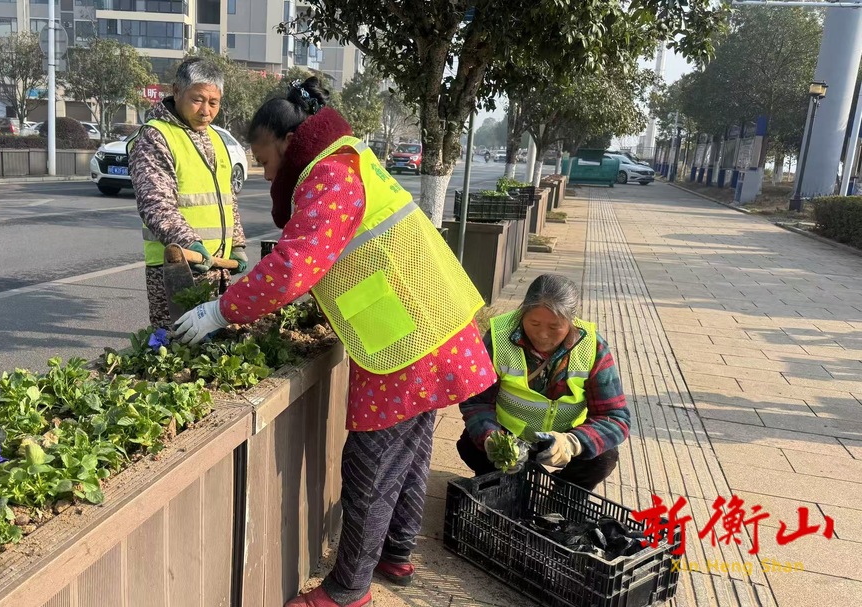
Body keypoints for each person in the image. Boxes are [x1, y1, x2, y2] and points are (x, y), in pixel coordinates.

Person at [173, 78, 496, 607]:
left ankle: (348, 590)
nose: (266, 172)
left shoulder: (330, 173)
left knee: (370, 465)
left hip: (405, 338)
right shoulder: (346, 159)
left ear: (284, 141)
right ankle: (395, 551)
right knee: (410, 450)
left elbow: (296, 263)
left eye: (264, 158)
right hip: (429, 321)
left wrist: (221, 310)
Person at [457, 273, 630, 491]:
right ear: (522, 314)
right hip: (511, 435)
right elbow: (476, 401)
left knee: (603, 456)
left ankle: (566, 490)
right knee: (471, 446)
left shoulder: (593, 347)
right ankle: (505, 483)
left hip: (562, 437)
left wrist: (573, 443)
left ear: (571, 322)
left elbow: (615, 417)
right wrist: (491, 438)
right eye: (534, 323)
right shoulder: (499, 336)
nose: (542, 335)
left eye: (554, 327)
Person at [128, 57, 248, 329]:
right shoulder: (155, 137)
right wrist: (190, 243)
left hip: (218, 268)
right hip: (177, 269)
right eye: (198, 100)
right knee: (177, 345)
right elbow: (155, 204)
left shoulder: (216, 138)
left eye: (213, 102)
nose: (206, 111)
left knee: (216, 346)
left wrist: (237, 243)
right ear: (177, 91)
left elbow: (228, 199)